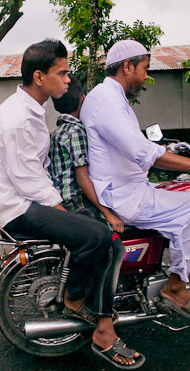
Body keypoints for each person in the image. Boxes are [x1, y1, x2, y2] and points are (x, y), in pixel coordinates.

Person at [0, 39, 144, 369]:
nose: (68, 79)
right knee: (102, 237)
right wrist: (64, 212)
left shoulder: (30, 110)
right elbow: (28, 180)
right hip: (21, 209)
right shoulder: (16, 118)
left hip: (28, 201)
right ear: (40, 77)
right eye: (63, 72)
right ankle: (83, 309)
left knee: (110, 240)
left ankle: (100, 321)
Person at [80, 39, 190, 321]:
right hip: (126, 195)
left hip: (123, 188)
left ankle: (161, 268)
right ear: (127, 66)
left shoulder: (104, 96)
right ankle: (176, 287)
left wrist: (168, 152)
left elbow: (132, 144)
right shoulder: (109, 102)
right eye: (145, 69)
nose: (147, 76)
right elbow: (141, 151)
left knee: (178, 192)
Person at [48, 74, 126, 292]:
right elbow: (82, 179)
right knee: (112, 246)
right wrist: (108, 213)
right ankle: (97, 305)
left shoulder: (59, 130)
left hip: (62, 199)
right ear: (83, 100)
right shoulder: (76, 131)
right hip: (76, 203)